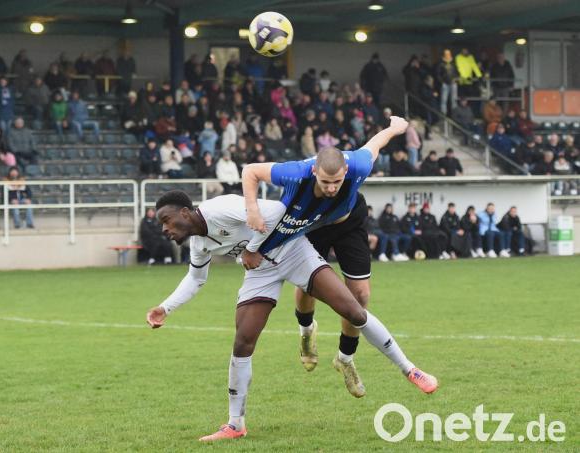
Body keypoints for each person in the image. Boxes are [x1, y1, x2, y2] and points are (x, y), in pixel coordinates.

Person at [146, 191, 437, 441]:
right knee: (243, 341)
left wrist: (252, 248)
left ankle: (410, 369)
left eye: (166, 220)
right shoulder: (199, 244)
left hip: (293, 252)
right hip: (260, 272)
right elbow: (196, 279)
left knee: (353, 310)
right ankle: (235, 425)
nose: (164, 229)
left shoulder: (219, 208)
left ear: (185, 212)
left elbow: (275, 211)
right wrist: (165, 308)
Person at [240, 116, 415, 398]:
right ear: (314, 171)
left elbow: (375, 144)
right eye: (325, 182)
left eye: (337, 181)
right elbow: (250, 171)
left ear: (346, 171)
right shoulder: (296, 172)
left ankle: (345, 359)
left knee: (360, 295)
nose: (332, 188)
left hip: (349, 223)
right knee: (307, 287)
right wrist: (252, 209)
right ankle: (306, 330)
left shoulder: (359, 164)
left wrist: (394, 128)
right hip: (310, 226)